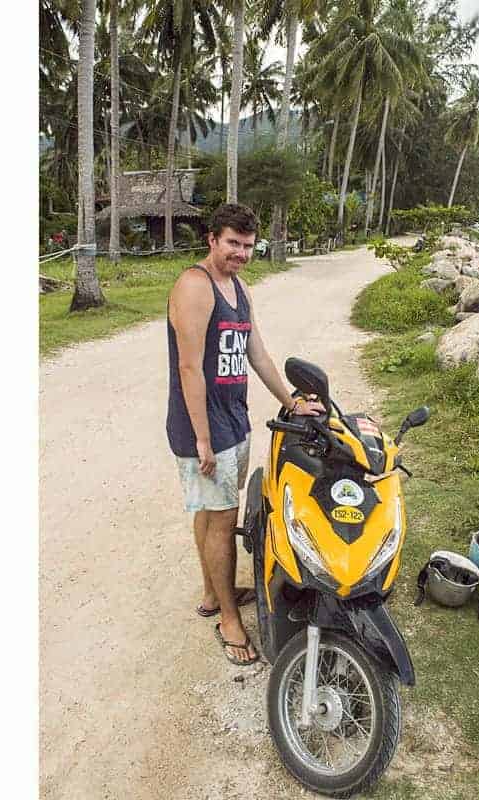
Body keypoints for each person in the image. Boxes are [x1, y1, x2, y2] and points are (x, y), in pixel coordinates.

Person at [166, 203, 325, 666]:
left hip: (233, 420)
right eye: (232, 243)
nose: (240, 253)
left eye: (248, 246)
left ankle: (213, 593)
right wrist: (201, 439)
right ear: (212, 239)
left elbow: (257, 354)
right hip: (206, 428)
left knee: (213, 512)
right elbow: (189, 366)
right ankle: (229, 620)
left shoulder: (238, 288)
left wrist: (293, 402)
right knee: (222, 519)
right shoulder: (194, 287)